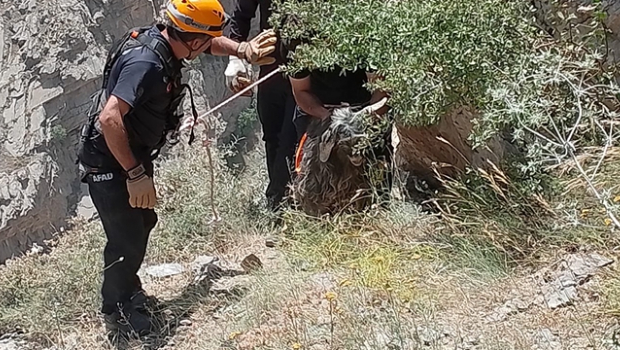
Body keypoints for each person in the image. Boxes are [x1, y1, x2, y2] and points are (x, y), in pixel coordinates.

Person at [76, 0, 277, 337]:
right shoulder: (146, 63)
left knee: (142, 223)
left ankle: (130, 293)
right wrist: (135, 175)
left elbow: (209, 41)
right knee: (125, 238)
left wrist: (243, 49)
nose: (207, 45)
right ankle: (117, 313)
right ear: (192, 38)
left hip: (129, 156)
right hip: (111, 162)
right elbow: (110, 119)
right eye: (205, 38)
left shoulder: (165, 40)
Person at [285, 37, 394, 200]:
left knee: (377, 171)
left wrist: (362, 118)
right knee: (312, 176)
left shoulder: (364, 35)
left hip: (363, 108)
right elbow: (300, 91)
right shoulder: (298, 41)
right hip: (319, 110)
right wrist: (327, 118)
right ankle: (313, 207)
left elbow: (381, 90)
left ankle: (377, 206)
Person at [224, 0, 298, 212]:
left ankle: (281, 204)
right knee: (272, 137)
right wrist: (236, 58)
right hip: (271, 71)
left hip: (305, 73)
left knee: (289, 139)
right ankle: (279, 201)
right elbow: (242, 14)